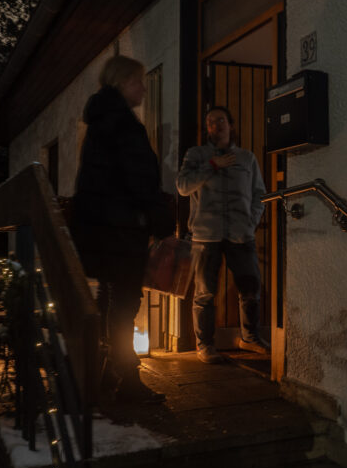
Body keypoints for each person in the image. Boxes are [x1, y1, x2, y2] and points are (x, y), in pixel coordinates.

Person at [70, 55, 165, 402]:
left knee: (110, 298)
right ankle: (128, 380)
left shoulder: (101, 122)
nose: (143, 88)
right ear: (123, 82)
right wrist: (156, 218)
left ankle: (104, 371)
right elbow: (138, 179)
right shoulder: (123, 124)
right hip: (122, 228)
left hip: (102, 227)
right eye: (138, 81)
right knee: (125, 302)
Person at [176, 106, 270, 364]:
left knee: (250, 288)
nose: (214, 125)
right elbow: (183, 187)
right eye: (210, 122)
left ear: (231, 124)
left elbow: (259, 194)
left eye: (220, 120)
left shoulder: (247, 158)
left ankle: (249, 338)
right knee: (204, 293)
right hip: (206, 235)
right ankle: (205, 345)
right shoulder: (196, 155)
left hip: (241, 233)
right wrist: (211, 166)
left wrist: (251, 221)